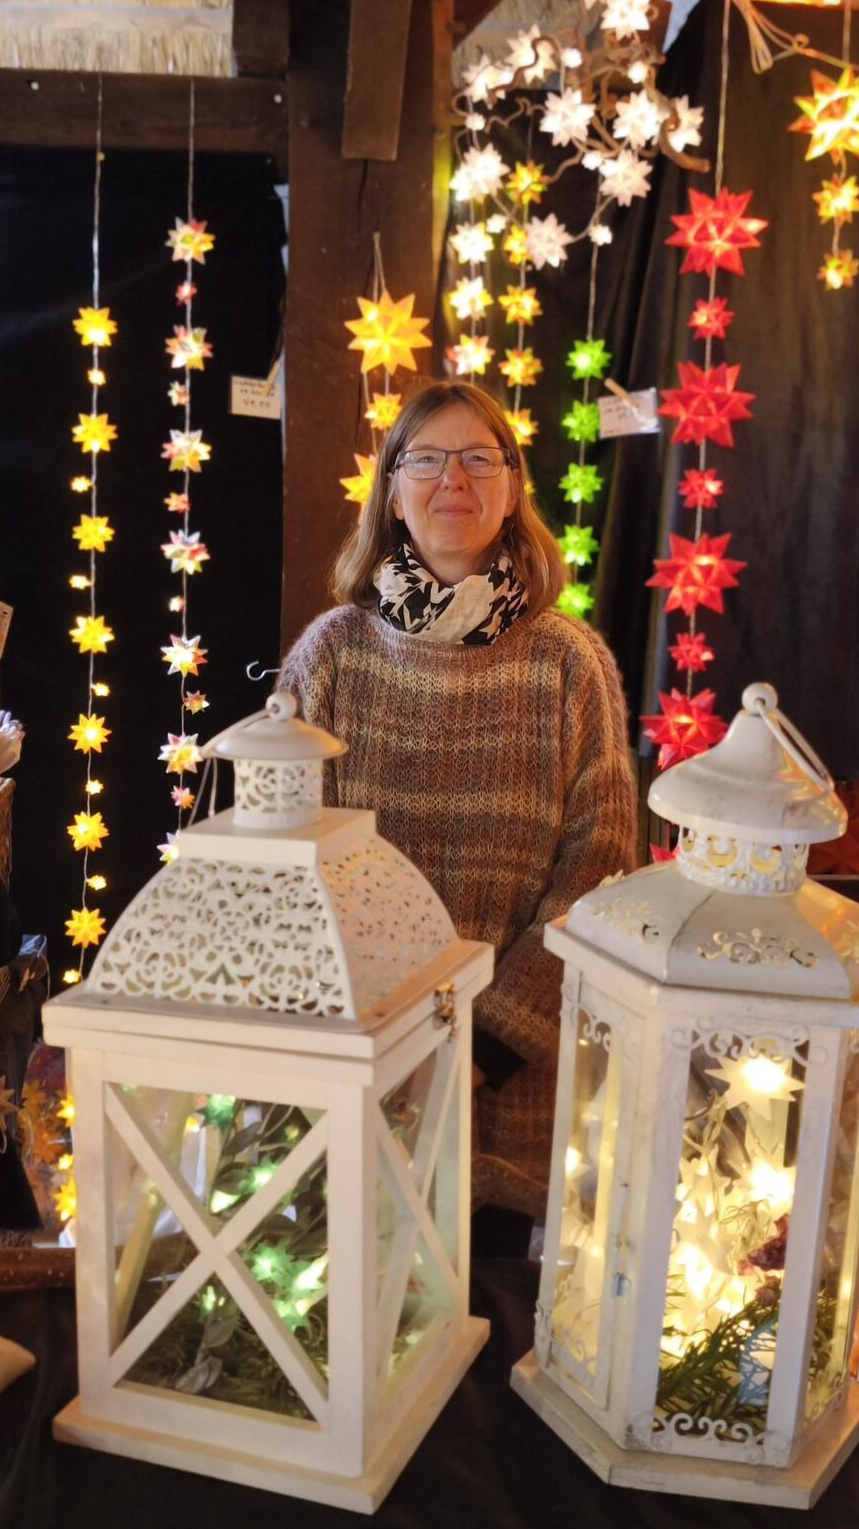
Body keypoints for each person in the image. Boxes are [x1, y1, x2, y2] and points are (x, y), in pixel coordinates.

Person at [278, 380, 639, 1217]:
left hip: (514, 1095)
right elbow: (287, 863)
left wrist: (484, 1045)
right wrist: (376, 1049)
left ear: (513, 491)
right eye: (428, 460)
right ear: (393, 496)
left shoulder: (568, 664)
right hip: (349, 1072)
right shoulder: (332, 656)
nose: (456, 481)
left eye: (482, 459)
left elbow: (601, 874)